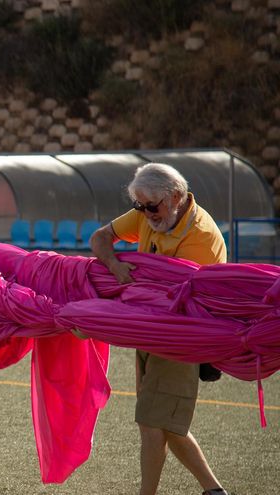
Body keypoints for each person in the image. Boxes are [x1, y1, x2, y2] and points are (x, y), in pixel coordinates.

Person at [90, 163, 229, 495]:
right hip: (151, 334)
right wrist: (114, 264)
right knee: (167, 426)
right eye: (140, 205)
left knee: (152, 425)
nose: (145, 213)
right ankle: (214, 490)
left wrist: (112, 314)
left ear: (176, 197)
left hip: (181, 337)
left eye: (152, 206)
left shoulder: (201, 237)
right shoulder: (148, 212)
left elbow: (178, 300)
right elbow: (100, 237)